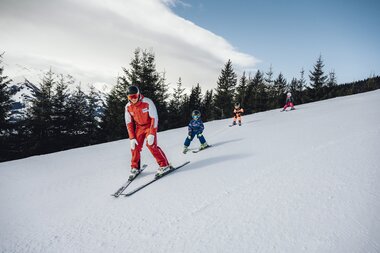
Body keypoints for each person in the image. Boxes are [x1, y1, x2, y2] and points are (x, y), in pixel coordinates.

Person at [125, 85, 171, 179]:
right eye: (130, 97)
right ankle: (135, 167)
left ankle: (164, 165)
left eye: (134, 96)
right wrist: (132, 138)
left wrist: (152, 133)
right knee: (134, 146)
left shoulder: (147, 102)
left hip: (149, 126)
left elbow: (154, 118)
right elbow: (129, 123)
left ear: (138, 95)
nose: (133, 99)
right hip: (139, 128)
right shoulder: (128, 107)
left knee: (151, 145)